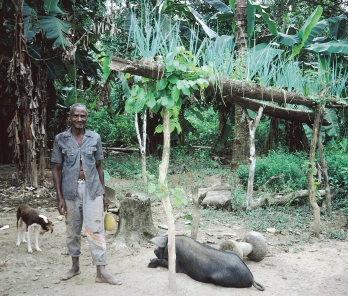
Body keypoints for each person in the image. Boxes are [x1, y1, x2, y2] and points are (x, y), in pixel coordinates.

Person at [51, 103, 122, 285]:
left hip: (93, 191)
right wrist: (59, 197)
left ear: (87, 118)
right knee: (72, 230)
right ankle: (75, 266)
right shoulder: (61, 139)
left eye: (83, 116)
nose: (79, 119)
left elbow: (99, 167)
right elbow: (56, 169)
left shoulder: (95, 138)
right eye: (76, 116)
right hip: (70, 191)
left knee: (96, 228)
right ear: (70, 117)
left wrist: (104, 193)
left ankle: (101, 271)